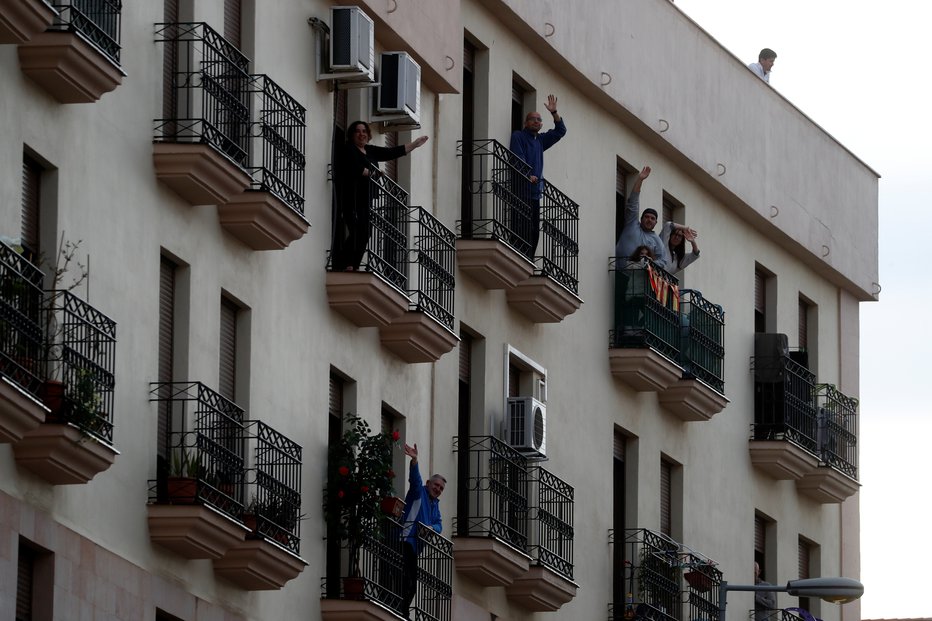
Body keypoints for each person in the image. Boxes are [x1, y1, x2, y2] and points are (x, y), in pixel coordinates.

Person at [331, 121, 428, 272]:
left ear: (368, 135)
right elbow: (354, 168)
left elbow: (390, 152)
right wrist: (372, 173)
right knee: (357, 230)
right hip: (351, 197)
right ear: (352, 135)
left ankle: (353, 265)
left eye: (364, 131)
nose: (361, 134)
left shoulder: (369, 150)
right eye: (357, 131)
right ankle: (344, 263)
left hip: (365, 199)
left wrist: (414, 144)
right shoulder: (349, 149)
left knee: (365, 232)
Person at [509, 94, 567, 257]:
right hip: (521, 190)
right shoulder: (518, 136)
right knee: (520, 226)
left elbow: (560, 131)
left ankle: (528, 259)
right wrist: (528, 174)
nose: (536, 121)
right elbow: (517, 157)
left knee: (535, 229)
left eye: (539, 119)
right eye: (533, 119)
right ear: (525, 123)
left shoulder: (540, 140)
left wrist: (554, 112)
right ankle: (518, 255)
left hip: (535, 193)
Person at [399, 442, 445, 618]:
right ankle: (401, 612)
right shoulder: (419, 492)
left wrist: (431, 527)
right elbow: (415, 479)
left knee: (411, 585)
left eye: (441, 488)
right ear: (428, 483)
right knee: (407, 583)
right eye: (436, 485)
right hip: (405, 539)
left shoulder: (435, 506)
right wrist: (414, 461)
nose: (438, 489)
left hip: (415, 547)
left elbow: (439, 525)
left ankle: (401, 611)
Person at [614, 166, 668, 270]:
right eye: (647, 217)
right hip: (618, 272)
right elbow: (633, 204)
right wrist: (640, 180)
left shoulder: (657, 240)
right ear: (641, 219)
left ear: (656, 222)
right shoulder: (632, 224)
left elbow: (663, 261)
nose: (649, 220)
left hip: (638, 278)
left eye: (652, 218)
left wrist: (648, 264)